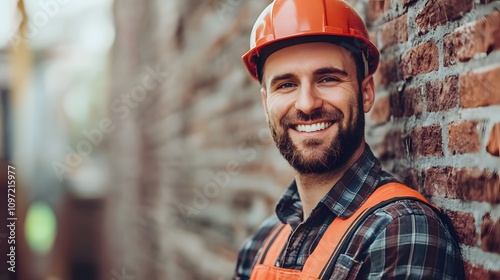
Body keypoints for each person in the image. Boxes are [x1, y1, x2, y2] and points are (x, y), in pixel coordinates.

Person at [234, 0, 465, 279]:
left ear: (366, 92)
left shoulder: (401, 230)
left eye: (328, 78)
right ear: (266, 102)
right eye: (286, 85)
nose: (307, 104)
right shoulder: (260, 243)